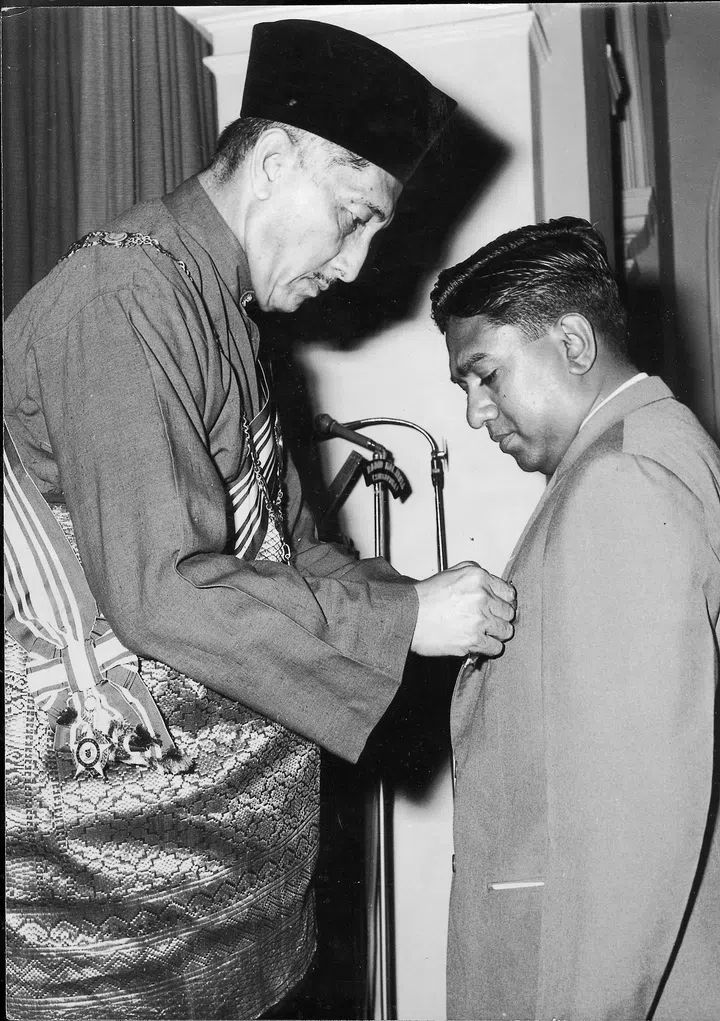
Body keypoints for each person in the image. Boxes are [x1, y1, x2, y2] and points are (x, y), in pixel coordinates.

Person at [3, 18, 517, 1021]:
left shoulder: (218, 312)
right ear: (275, 159)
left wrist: (413, 598)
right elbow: (164, 587)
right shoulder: (123, 295)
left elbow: (288, 552)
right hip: (116, 931)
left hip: (226, 913)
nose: (363, 265)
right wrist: (407, 623)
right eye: (355, 217)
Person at [431, 216, 720, 1020]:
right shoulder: (650, 448)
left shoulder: (621, 483)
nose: (477, 413)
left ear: (573, 342)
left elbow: (630, 835)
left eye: (485, 375)